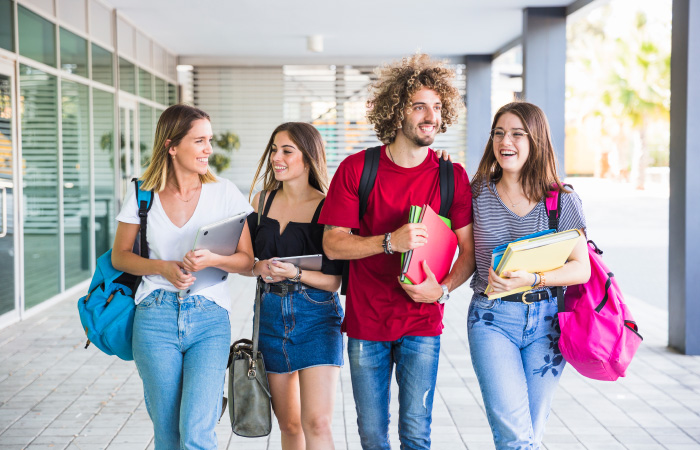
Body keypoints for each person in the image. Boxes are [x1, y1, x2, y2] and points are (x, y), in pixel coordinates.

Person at [320, 54, 475, 450]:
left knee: (416, 437)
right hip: (367, 322)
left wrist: (442, 291)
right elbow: (332, 242)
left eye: (437, 107)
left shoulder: (451, 175)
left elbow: (469, 251)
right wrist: (389, 242)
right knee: (372, 436)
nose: (431, 116)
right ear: (395, 111)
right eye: (419, 106)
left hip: (422, 322)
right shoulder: (358, 169)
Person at [112, 104, 254, 449]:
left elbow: (248, 261)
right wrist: (162, 267)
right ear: (171, 146)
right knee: (168, 433)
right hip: (154, 316)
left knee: (197, 433)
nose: (208, 149)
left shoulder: (224, 193)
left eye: (210, 140)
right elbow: (120, 257)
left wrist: (212, 260)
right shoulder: (141, 194)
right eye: (199, 141)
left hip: (209, 317)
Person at [468, 101, 591, 449]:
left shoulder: (561, 200)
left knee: (531, 433)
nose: (506, 141)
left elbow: (580, 269)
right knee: (514, 435)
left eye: (518, 134)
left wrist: (534, 279)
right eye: (499, 133)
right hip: (492, 320)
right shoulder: (476, 194)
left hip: (547, 324)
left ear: (536, 140)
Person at [244, 122, 344, 450]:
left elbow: (334, 281)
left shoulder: (329, 205)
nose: (277, 157)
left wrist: (295, 274)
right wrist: (257, 266)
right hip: (271, 316)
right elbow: (246, 261)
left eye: (287, 150)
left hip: (316, 316)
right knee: (288, 424)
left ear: (308, 157)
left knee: (317, 421)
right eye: (274, 150)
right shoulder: (261, 201)